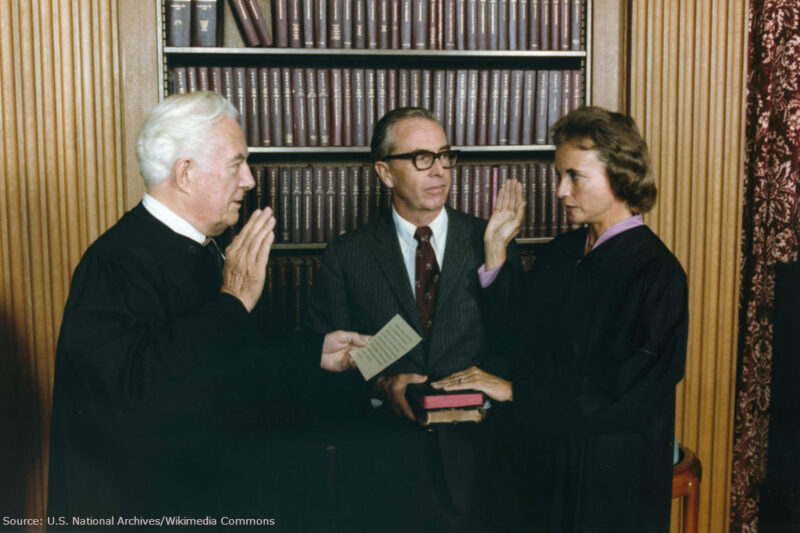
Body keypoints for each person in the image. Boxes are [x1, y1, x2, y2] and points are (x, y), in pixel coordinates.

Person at [47, 91, 368, 526]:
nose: (250, 180)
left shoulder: (207, 251)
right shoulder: (114, 263)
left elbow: (234, 372)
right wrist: (232, 301)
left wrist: (314, 353)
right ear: (186, 173)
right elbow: (141, 398)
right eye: (237, 163)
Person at [433, 106, 689, 532]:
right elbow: (515, 339)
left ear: (621, 175)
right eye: (559, 176)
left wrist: (516, 391)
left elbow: (624, 393)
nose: (560, 192)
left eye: (575, 177)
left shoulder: (657, 273)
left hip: (607, 480)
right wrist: (496, 250)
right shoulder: (562, 252)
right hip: (546, 459)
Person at [304, 107, 520, 531]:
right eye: (421, 158)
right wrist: (384, 386)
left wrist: (497, 256)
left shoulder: (490, 238)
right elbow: (323, 368)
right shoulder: (347, 255)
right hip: (383, 474)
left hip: (477, 468)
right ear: (385, 173)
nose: (439, 170)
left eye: (444, 155)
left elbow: (515, 343)